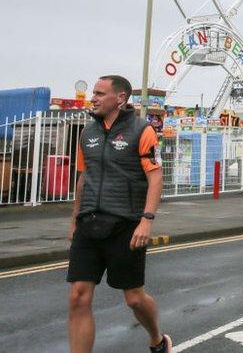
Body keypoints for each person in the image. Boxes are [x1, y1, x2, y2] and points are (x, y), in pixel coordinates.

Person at [67, 75, 172, 352]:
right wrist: (75, 219)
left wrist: (146, 221)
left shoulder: (142, 130)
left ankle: (158, 339)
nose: (94, 97)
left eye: (101, 93)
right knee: (78, 296)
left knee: (134, 299)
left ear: (120, 98)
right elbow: (83, 177)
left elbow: (156, 178)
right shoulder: (87, 133)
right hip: (89, 223)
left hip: (126, 225)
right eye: (94, 92)